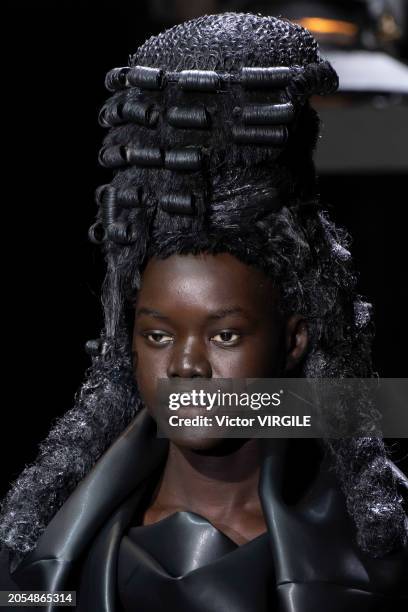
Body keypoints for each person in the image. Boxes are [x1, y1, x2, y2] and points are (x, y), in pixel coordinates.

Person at [0, 12, 407, 612]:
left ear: (294, 339)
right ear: (128, 341)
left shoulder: (379, 559)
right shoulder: (40, 561)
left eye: (225, 334)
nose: (187, 366)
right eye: (159, 335)